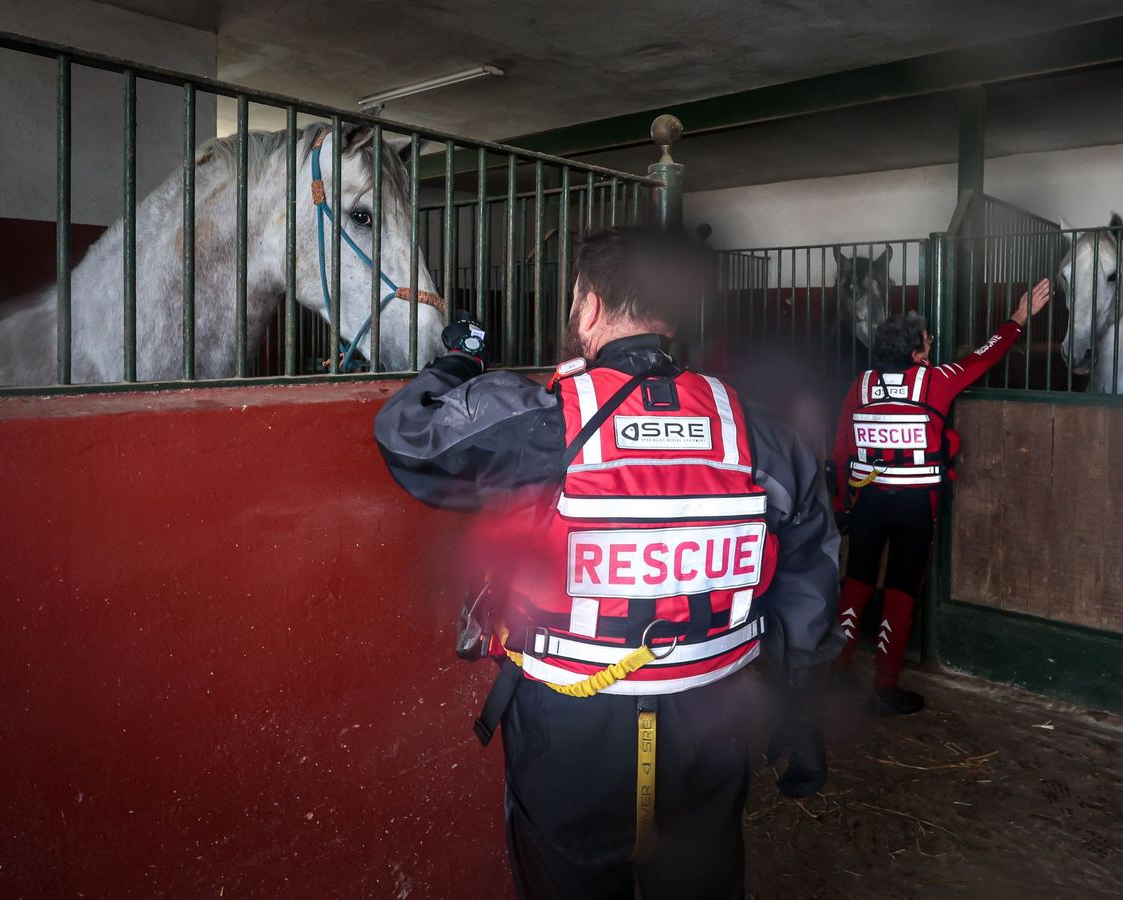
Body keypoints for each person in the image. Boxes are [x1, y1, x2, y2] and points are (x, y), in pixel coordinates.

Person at [374, 227, 842, 899]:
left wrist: (459, 361)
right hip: (710, 721)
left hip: (569, 727)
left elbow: (408, 435)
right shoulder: (755, 430)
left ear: (589, 307)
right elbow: (809, 568)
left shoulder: (547, 420)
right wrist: (801, 704)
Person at [829, 280, 1052, 715]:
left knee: (855, 586)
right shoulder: (935, 381)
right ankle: (885, 686)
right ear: (916, 353)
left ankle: (837, 672)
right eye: (927, 342)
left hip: (867, 504)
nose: (931, 346)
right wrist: (1018, 319)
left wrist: (841, 507)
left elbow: (840, 451)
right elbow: (984, 357)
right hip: (915, 508)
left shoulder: (860, 385)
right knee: (900, 593)